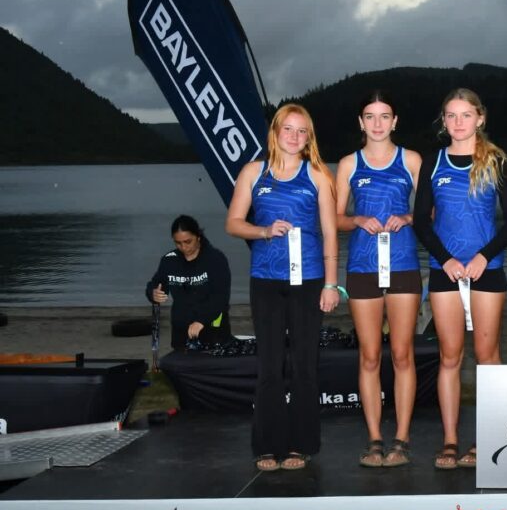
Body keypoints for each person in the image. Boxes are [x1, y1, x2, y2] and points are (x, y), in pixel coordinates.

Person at [225, 103, 340, 473]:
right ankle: (267, 444)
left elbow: (330, 233)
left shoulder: (320, 175)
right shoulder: (253, 172)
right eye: (287, 129)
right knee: (270, 366)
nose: (293, 136)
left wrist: (331, 284)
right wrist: (262, 230)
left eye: (301, 130)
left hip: (308, 282)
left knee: (305, 365)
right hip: (266, 281)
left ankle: (301, 444)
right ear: (275, 132)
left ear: (309, 138)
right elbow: (233, 223)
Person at [413, 88, 507, 470]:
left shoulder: (498, 163)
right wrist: (446, 260)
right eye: (451, 116)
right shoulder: (433, 162)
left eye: (465, 115)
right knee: (449, 357)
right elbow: (422, 221)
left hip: (486, 272)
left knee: (488, 357)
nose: (458, 123)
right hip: (446, 273)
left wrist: (482, 257)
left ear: (480, 118)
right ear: (444, 121)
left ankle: (488, 439)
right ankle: (452, 440)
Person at [336, 91, 421, 468]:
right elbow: (336, 218)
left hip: (402, 265)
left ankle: (401, 438)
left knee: (402, 354)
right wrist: (356, 220)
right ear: (360, 122)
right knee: (369, 356)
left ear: (395, 121)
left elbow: (432, 212)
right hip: (362, 267)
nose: (377, 123)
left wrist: (407, 218)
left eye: (384, 116)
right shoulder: (348, 164)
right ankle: (374, 438)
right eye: (370, 116)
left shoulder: (412, 160)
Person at [145, 215, 232, 350]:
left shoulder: (215, 259)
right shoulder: (169, 260)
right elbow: (156, 283)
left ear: (198, 237)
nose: (184, 247)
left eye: (188, 241)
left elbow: (221, 297)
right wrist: (153, 293)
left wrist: (201, 320)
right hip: (181, 332)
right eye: (178, 243)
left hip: (213, 331)